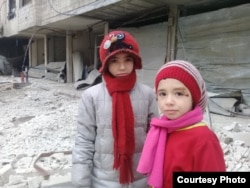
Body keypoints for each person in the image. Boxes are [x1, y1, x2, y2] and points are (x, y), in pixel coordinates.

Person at [72, 30, 159, 187]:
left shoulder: (148, 95)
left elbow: (156, 140)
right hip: (104, 182)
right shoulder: (91, 96)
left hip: (141, 181)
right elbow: (84, 141)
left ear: (134, 61)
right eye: (114, 61)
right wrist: (81, 183)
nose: (122, 67)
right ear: (106, 63)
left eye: (127, 59)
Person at [137, 60, 226, 188]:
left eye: (178, 93)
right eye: (162, 94)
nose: (168, 101)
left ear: (193, 98)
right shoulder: (161, 131)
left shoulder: (204, 139)